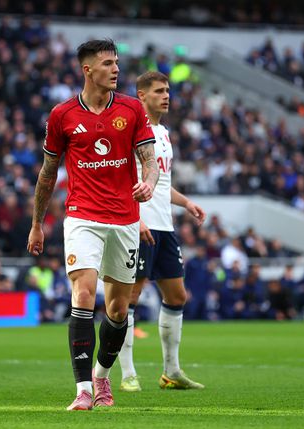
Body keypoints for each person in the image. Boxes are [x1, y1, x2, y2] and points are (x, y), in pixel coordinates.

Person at [27, 39, 159, 411]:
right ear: (87, 70)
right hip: (82, 216)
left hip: (125, 219)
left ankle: (102, 376)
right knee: (83, 294)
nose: (115, 69)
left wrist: (149, 182)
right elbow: (48, 173)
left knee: (118, 310)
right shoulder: (63, 115)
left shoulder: (132, 109)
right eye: (107, 63)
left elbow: (149, 160)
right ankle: (83, 389)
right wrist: (37, 223)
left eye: (116, 62)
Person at [117, 71, 206, 392]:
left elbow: (160, 183)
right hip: (138, 223)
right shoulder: (130, 130)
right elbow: (121, 179)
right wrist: (135, 218)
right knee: (130, 297)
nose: (166, 96)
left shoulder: (164, 134)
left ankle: (171, 371)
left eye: (167, 90)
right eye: (158, 91)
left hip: (164, 226)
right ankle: (128, 373)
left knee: (177, 295)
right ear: (141, 95)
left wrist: (186, 202)